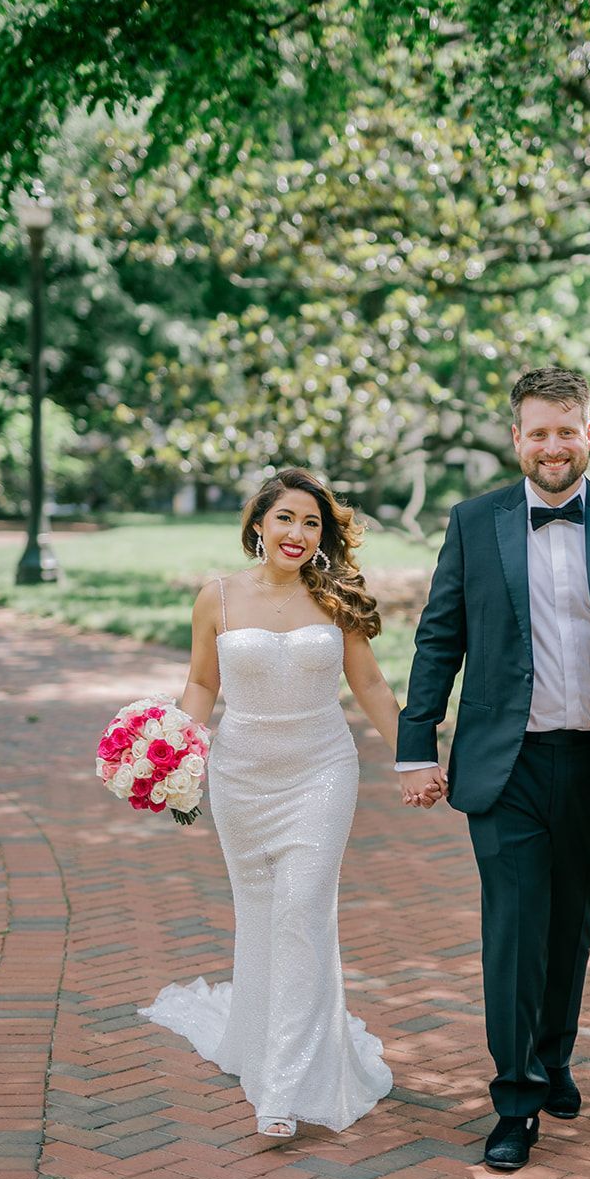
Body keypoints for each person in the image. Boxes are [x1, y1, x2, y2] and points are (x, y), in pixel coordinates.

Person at [397, 367, 590, 1171]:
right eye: (538, 432)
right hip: (508, 762)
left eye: (567, 430)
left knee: (572, 920)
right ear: (516, 439)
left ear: (588, 434)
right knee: (515, 925)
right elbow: (438, 639)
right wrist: (415, 742)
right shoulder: (474, 522)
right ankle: (516, 1098)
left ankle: (555, 1052)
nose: (553, 445)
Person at [140, 468, 399, 1138]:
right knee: (260, 916)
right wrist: (170, 755)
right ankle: (259, 1045)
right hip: (241, 777)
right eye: (285, 518)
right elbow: (200, 684)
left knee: (302, 910)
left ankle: (282, 1088)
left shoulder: (336, 597)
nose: (297, 533)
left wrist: (413, 757)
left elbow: (367, 682)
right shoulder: (217, 598)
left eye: (311, 522)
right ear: (257, 523)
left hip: (321, 771)